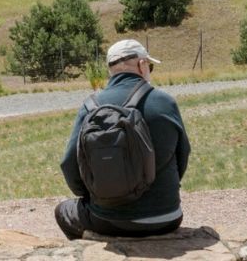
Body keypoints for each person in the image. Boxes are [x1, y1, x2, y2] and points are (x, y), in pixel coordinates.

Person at [55, 39, 190, 240]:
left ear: (111, 70)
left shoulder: (91, 106)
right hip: (167, 218)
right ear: (142, 64)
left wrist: (96, 194)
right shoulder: (166, 102)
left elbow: (69, 165)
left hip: (108, 220)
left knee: (62, 210)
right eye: (150, 66)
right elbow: (183, 156)